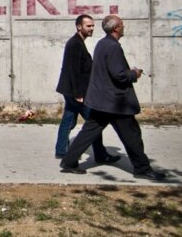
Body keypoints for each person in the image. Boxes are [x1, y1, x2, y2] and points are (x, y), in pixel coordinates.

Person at [59, 15, 166, 180]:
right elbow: (119, 75)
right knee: (132, 136)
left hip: (102, 100)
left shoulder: (102, 44)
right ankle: (142, 168)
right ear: (116, 28)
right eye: (122, 25)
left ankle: (69, 161)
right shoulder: (113, 47)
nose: (124, 27)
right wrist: (134, 74)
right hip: (116, 102)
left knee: (89, 131)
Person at [54, 15, 119, 164]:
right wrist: (78, 94)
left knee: (68, 120)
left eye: (92, 26)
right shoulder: (75, 44)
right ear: (79, 27)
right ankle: (100, 155)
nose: (92, 29)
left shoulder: (77, 42)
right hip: (76, 92)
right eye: (88, 26)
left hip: (70, 90)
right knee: (94, 122)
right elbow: (73, 70)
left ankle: (61, 150)